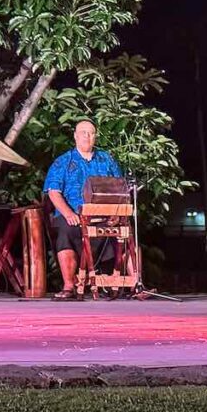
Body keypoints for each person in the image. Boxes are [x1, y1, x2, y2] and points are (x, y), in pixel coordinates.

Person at [43, 119, 123, 299]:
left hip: (102, 216)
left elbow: (120, 189)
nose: (87, 136)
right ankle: (69, 285)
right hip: (73, 215)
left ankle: (117, 284)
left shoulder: (107, 160)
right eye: (83, 132)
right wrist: (68, 213)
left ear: (95, 136)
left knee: (124, 231)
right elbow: (53, 191)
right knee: (65, 229)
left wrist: (116, 214)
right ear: (75, 136)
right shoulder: (63, 161)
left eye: (91, 133)